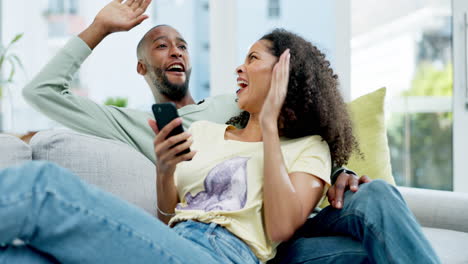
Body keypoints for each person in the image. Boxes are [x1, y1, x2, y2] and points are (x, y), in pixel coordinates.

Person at [19, 1, 439, 263]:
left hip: (269, 231)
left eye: (181, 43)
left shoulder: (232, 106)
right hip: (216, 239)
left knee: (377, 196)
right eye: (161, 46)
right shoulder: (144, 126)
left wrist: (338, 170)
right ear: (141, 68)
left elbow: (299, 138)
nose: (176, 50)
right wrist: (102, 26)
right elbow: (42, 91)